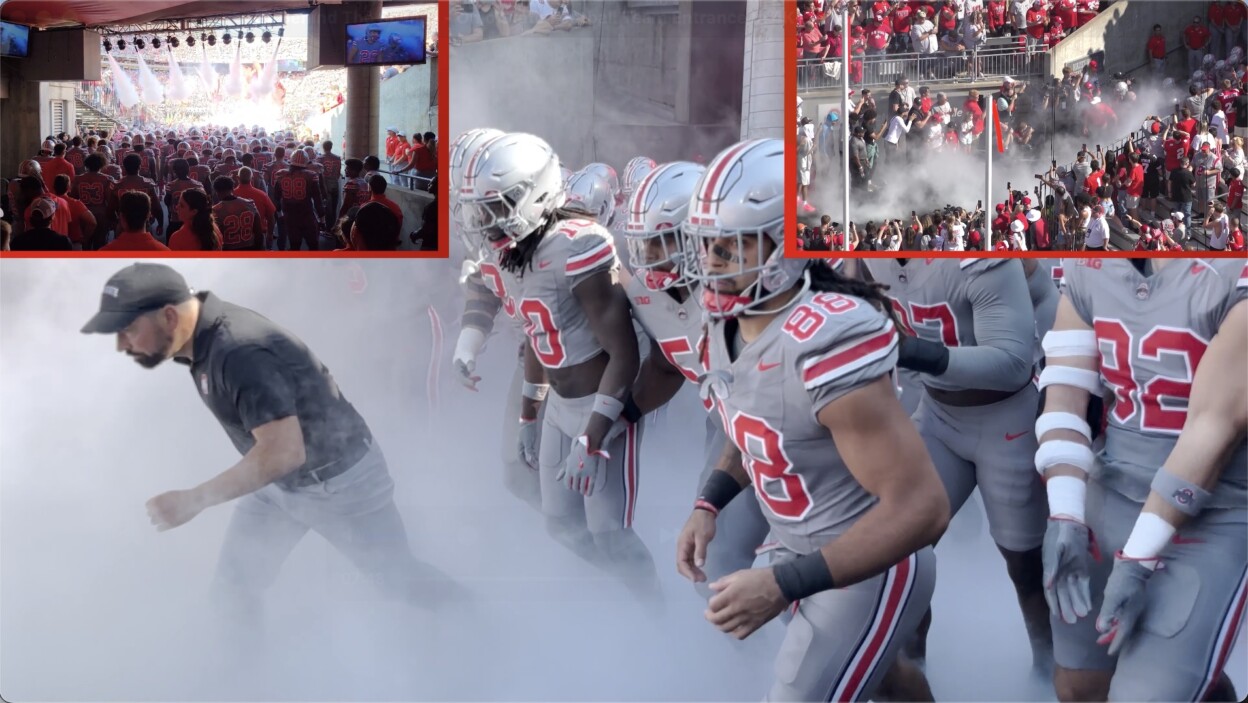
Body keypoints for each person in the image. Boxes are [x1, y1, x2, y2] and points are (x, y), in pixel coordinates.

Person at [677, 138, 947, 702]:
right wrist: (709, 503)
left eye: (731, 246)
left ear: (783, 246)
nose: (710, 263)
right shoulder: (727, 325)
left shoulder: (826, 340)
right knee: (885, 680)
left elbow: (923, 508)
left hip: (872, 565)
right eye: (706, 246)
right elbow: (755, 427)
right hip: (796, 546)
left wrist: (781, 583)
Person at [79, 263, 468, 649]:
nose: (123, 345)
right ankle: (241, 686)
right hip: (279, 484)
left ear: (167, 315)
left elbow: (284, 452)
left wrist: (192, 500)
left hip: (340, 484)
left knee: (399, 581)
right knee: (234, 590)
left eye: (128, 330)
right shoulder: (200, 339)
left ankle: (481, 629)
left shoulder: (238, 349)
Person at [459, 131, 662, 609]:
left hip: (600, 408)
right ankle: (616, 594)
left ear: (536, 194)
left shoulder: (577, 247)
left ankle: (653, 606)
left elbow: (625, 354)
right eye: (478, 209)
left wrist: (593, 437)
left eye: (496, 207)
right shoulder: (514, 249)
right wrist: (530, 414)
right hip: (558, 408)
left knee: (609, 530)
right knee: (559, 524)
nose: (482, 222)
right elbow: (537, 334)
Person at [1038, 258, 1245, 703]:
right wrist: (1066, 511)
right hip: (1112, 486)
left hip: (1214, 510)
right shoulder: (1087, 266)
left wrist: (1139, 557)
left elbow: (1215, 425)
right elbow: (1064, 393)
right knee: (1079, 687)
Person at [860, 257, 1053, 677]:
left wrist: (907, 351)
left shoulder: (978, 258)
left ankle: (1048, 672)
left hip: (1006, 419)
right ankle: (913, 674)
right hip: (936, 413)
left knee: (1025, 567)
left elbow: (1010, 364)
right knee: (901, 555)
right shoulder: (862, 244)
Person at [620, 160, 772, 599]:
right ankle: (756, 664)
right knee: (715, 569)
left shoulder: (755, 289)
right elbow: (669, 366)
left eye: (660, 242)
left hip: (799, 436)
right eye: (642, 243)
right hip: (730, 434)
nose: (647, 258)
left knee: (821, 576)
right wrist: (626, 412)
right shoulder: (646, 294)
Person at [273, 151, 323, 251]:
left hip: (290, 216)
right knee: (313, 246)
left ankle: (294, 266)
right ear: (306, 161)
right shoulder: (311, 175)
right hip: (307, 214)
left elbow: (276, 198)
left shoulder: (281, 174)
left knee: (294, 245)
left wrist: (279, 214)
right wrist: (322, 218)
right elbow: (317, 199)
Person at [99, 192, 170, 251]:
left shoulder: (103, 253)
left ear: (121, 217)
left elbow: (110, 210)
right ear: (148, 215)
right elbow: (158, 208)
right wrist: (160, 224)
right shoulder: (165, 252)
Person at [210, 177, 263, 251]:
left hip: (229, 250)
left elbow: (215, 238)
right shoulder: (249, 204)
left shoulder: (215, 211)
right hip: (250, 247)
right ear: (232, 188)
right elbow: (258, 231)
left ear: (216, 192)